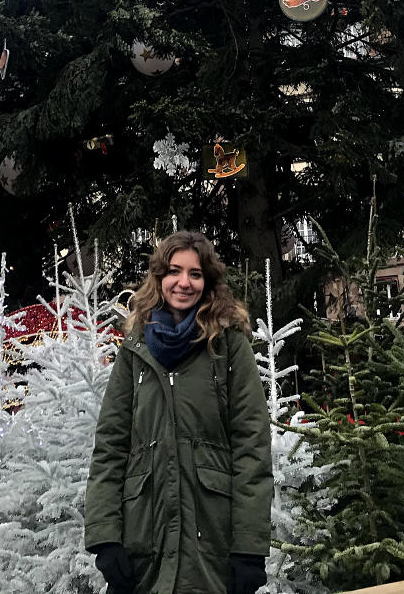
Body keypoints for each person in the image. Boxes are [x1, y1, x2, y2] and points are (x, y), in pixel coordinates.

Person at [85, 230, 272, 594]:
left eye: (195, 274)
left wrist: (249, 548)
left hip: (212, 541)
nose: (184, 283)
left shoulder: (229, 345)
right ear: (160, 277)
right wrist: (105, 538)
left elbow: (252, 446)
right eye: (174, 271)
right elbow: (110, 445)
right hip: (143, 542)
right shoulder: (135, 348)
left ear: (207, 281)